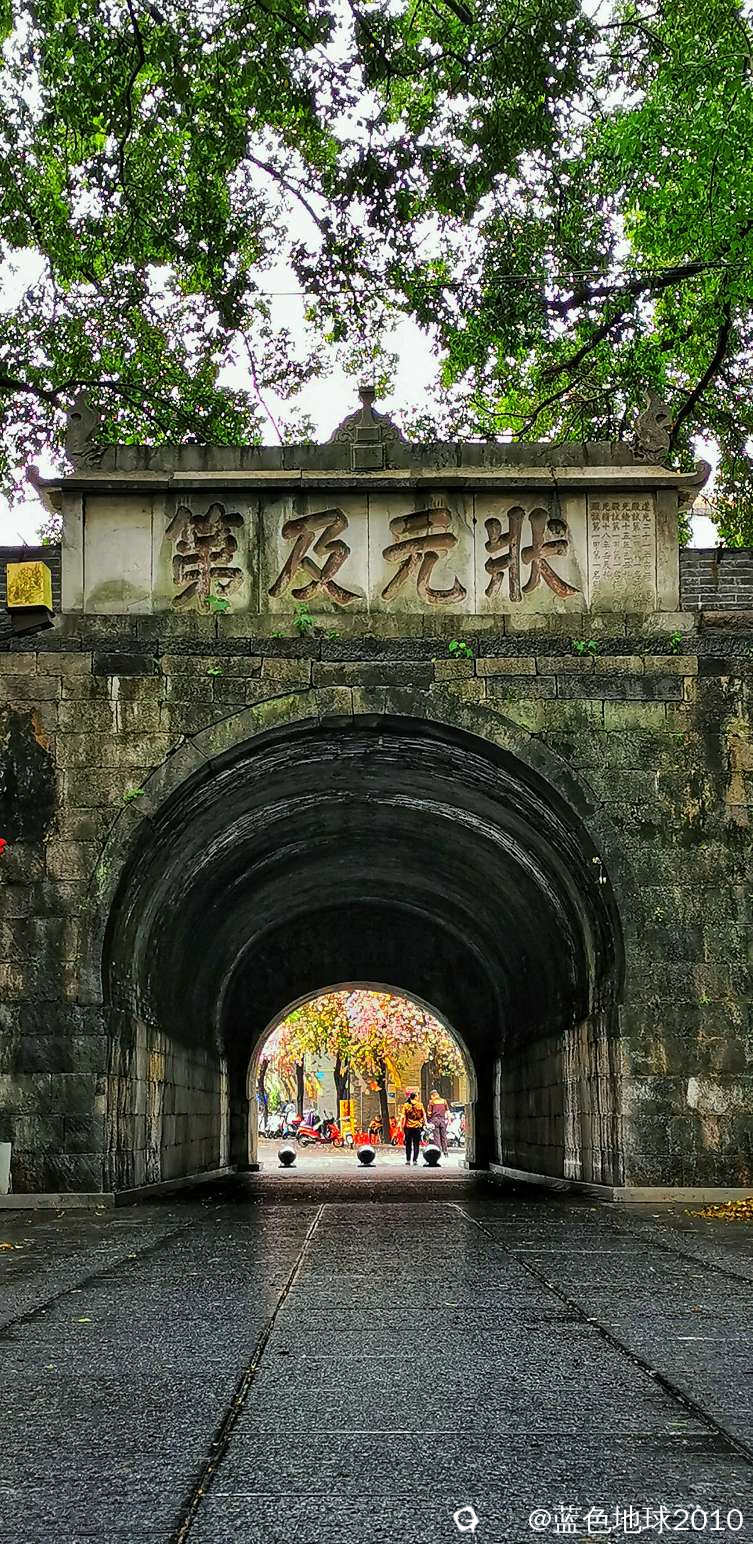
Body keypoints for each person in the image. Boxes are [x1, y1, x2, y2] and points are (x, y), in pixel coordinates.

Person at [401, 1089, 426, 1166]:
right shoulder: (420, 1105)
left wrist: (402, 1126)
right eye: (417, 1096)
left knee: (408, 1144)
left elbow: (403, 1117)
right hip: (417, 1127)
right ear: (415, 1097)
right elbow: (424, 1115)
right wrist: (424, 1124)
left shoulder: (406, 1105)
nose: (418, 1097)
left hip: (408, 1127)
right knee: (416, 1144)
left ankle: (408, 1160)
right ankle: (415, 1160)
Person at [427, 1088, 450, 1156]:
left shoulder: (432, 1102)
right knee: (444, 1136)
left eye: (431, 1096)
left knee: (436, 1137)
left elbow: (429, 1113)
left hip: (435, 1120)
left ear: (433, 1095)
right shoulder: (444, 1101)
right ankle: (445, 1152)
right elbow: (447, 1111)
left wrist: (429, 1119)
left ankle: (438, 1151)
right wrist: (449, 1120)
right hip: (443, 1120)